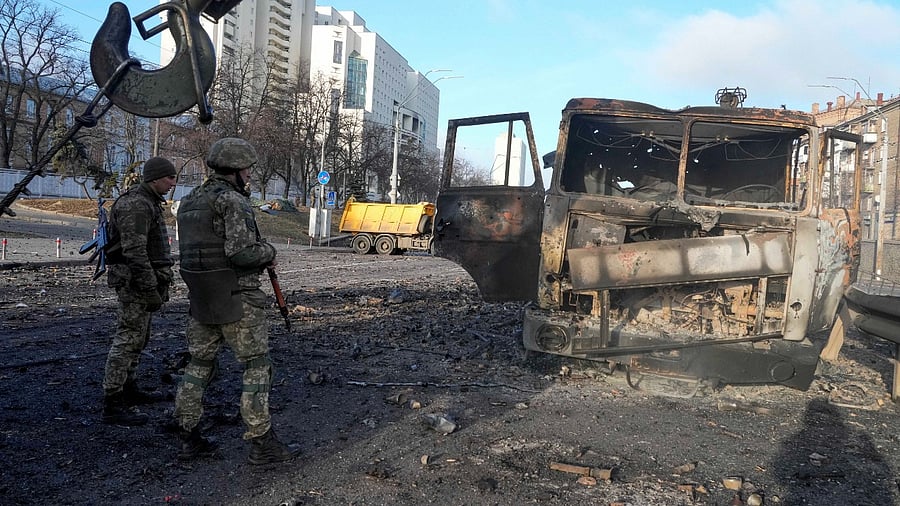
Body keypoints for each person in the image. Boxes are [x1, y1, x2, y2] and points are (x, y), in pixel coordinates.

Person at [174, 137, 300, 465]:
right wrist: (268, 251)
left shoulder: (188, 201)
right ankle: (261, 442)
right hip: (237, 298)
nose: (250, 174)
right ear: (235, 170)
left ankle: (188, 436)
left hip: (202, 297)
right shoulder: (232, 201)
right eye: (247, 169)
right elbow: (241, 253)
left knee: (199, 365)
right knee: (256, 366)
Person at [102, 157, 178, 426]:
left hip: (142, 282)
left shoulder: (146, 201)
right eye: (169, 178)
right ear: (155, 178)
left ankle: (128, 388)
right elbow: (134, 251)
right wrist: (149, 288)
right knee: (128, 339)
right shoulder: (136, 204)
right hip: (135, 283)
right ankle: (112, 401)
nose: (173, 183)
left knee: (139, 338)